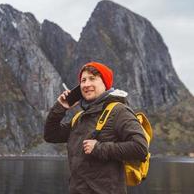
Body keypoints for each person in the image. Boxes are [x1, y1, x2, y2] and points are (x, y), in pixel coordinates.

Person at [44, 61, 148, 194]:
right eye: (83, 80)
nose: (86, 84)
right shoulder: (80, 118)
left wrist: (99, 148)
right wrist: (60, 107)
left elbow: (140, 148)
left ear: (105, 83)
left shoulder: (119, 111)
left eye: (92, 78)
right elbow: (50, 135)